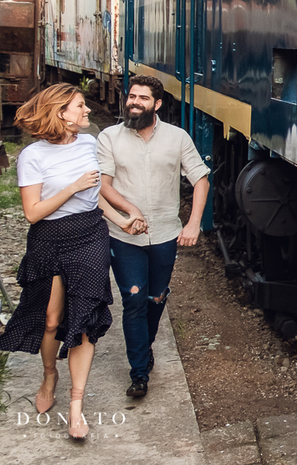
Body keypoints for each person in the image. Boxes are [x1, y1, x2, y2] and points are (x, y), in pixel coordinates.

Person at [0, 84, 145, 440]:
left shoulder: (89, 144)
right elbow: (33, 213)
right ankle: (50, 375)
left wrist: (121, 220)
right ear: (61, 112)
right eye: (81, 106)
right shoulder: (33, 156)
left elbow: (94, 199)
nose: (88, 111)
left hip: (90, 235)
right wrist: (72, 187)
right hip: (49, 238)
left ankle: (76, 408)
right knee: (50, 321)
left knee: (83, 320)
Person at [97, 74, 209, 398]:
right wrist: (127, 213)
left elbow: (201, 180)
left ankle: (144, 351)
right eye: (131, 96)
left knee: (155, 299)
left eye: (142, 98)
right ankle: (139, 372)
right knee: (133, 298)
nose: (134, 102)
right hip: (123, 235)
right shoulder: (109, 138)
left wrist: (194, 223)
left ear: (157, 104)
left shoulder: (177, 138)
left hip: (164, 235)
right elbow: (103, 185)